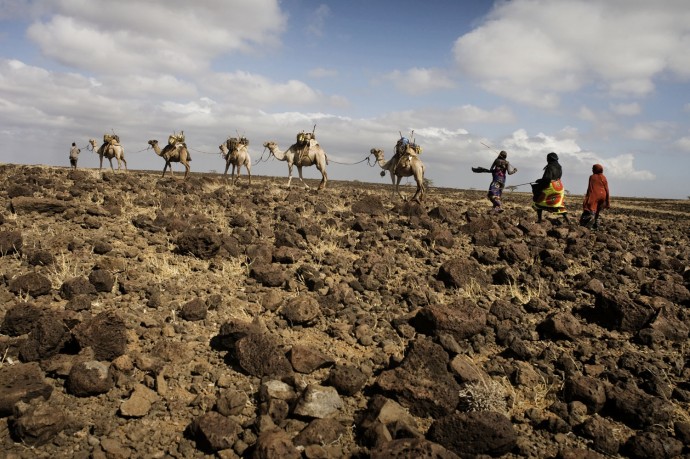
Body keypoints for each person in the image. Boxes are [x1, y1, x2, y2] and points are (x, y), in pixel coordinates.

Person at [532, 152, 568, 223]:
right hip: (559, 187)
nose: (547, 159)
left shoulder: (549, 167)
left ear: (549, 159)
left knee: (538, 201)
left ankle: (539, 219)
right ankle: (567, 220)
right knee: (559, 205)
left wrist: (539, 181)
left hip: (551, 187)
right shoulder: (559, 166)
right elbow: (558, 177)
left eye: (547, 158)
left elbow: (547, 179)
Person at [580, 163, 609, 229]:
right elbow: (607, 189)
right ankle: (597, 225)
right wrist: (607, 201)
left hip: (595, 195)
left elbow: (590, 188)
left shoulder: (592, 177)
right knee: (598, 210)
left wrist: (587, 197)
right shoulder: (604, 177)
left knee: (590, 209)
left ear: (596, 169)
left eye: (593, 169)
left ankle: (588, 225)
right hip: (603, 195)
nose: (592, 170)